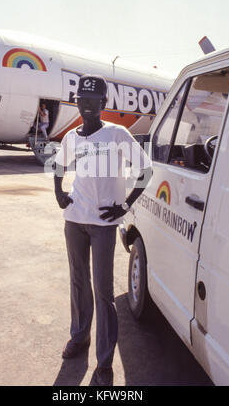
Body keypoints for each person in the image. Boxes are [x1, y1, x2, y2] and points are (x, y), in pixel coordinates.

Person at [53, 74, 152, 386]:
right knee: (78, 284)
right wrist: (59, 191)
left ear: (104, 103)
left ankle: (104, 361)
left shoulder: (117, 134)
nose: (86, 105)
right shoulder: (72, 137)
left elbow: (146, 170)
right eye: (82, 99)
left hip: (105, 226)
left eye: (93, 100)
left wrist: (124, 206)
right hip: (75, 220)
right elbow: (58, 165)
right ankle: (79, 337)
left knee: (103, 292)